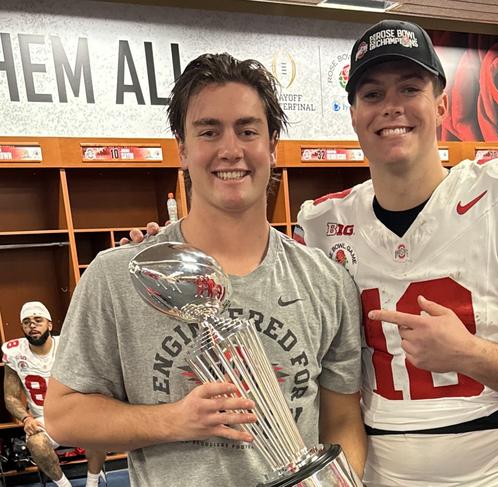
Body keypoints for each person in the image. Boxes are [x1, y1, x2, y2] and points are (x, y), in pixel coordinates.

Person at [44, 53, 365, 486]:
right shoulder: (118, 275)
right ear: (182, 148)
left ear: (272, 145)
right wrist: (176, 420)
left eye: (247, 131)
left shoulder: (326, 280)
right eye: (209, 131)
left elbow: (342, 417)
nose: (230, 150)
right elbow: (63, 416)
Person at [295, 20, 498, 486]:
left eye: (409, 88)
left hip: (495, 476)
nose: (391, 107)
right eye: (372, 94)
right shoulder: (322, 225)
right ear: (352, 114)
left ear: (440, 106)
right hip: (378, 475)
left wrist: (469, 354)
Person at [2, 302, 106, 487]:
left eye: (38, 320)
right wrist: (26, 419)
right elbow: (10, 397)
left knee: (98, 429)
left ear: (49, 325)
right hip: (43, 419)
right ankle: (64, 485)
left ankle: (92, 483)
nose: (32, 325)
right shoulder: (16, 353)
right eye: (26, 322)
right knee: (36, 444)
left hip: (75, 413)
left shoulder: (67, 346)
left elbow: (92, 379)